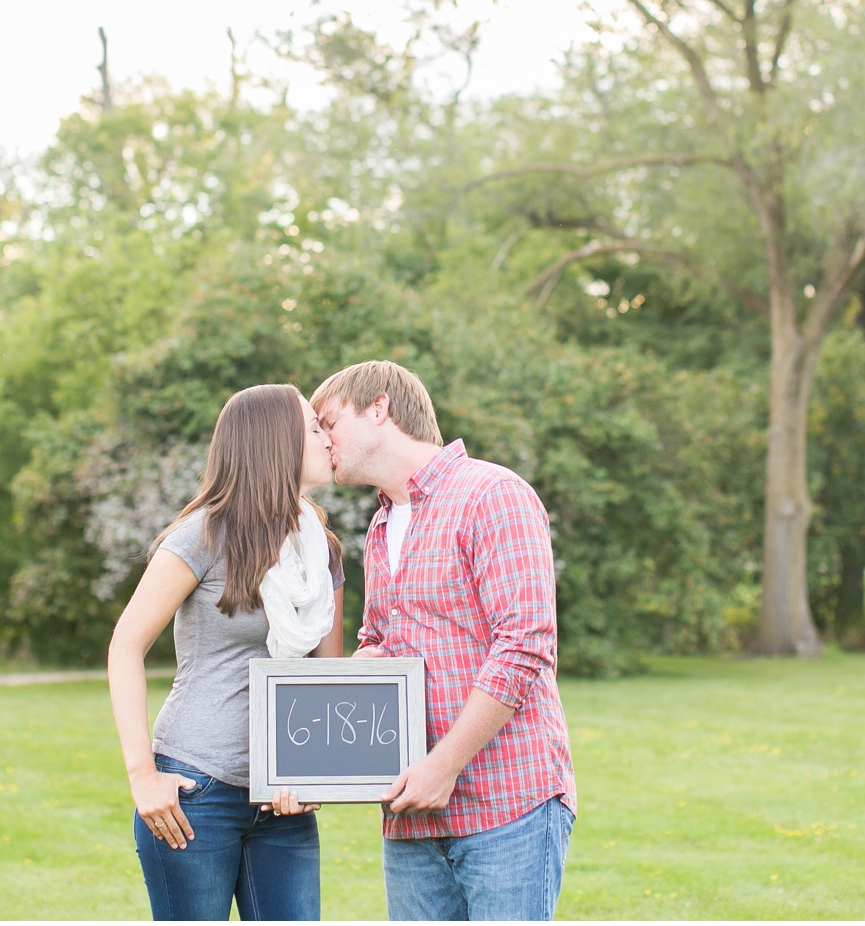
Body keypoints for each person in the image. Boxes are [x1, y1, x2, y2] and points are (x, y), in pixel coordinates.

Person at [310, 360, 577, 922]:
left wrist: (444, 765)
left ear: (378, 408)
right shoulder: (381, 525)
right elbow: (378, 638)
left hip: (507, 803)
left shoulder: (492, 493)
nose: (320, 439)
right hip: (411, 815)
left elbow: (524, 645)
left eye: (327, 421)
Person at [107, 384, 346, 921]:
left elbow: (322, 679)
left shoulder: (321, 550)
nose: (328, 438)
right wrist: (142, 775)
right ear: (275, 442)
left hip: (282, 799)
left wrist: (313, 775)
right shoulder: (203, 534)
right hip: (196, 789)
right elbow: (126, 645)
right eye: (314, 427)